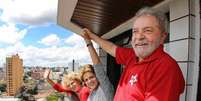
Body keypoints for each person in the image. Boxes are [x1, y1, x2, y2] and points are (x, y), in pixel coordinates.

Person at [81, 7, 185, 101]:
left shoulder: (165, 67)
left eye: (147, 30)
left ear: (163, 36)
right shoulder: (132, 56)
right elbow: (112, 48)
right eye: (135, 31)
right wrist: (91, 36)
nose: (139, 37)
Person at [79, 32, 114, 101]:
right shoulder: (91, 95)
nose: (89, 81)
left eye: (91, 77)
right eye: (86, 80)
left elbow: (97, 65)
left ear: (97, 76)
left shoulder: (105, 88)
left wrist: (88, 42)